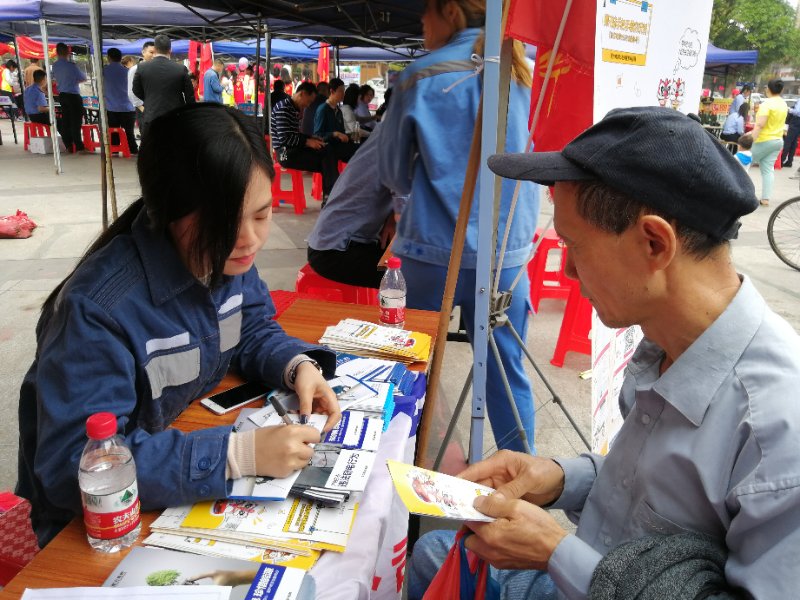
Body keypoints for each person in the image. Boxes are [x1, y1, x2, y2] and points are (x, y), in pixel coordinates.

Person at [408, 106, 800, 600]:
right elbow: (650, 492)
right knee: (434, 553)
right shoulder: (669, 341)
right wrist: (559, 478)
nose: (568, 270)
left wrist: (555, 552)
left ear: (654, 243)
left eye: (574, 245)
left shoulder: (777, 434)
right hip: (596, 572)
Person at [16, 103, 341, 549]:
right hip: (97, 528)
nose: (249, 239)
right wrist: (236, 454)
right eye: (224, 223)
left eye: (262, 215)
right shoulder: (96, 312)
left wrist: (296, 365)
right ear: (169, 211)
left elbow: (249, 327)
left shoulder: (225, 257)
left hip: (172, 458)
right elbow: (75, 465)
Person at [378, 0, 539, 453]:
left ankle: (392, 463)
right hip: (506, 256)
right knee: (507, 376)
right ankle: (522, 475)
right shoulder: (526, 73)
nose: (421, 24)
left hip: (431, 251)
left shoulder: (419, 75)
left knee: (406, 364)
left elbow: (392, 173)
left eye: (424, 14)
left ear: (449, 10)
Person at [307, 124, 402, 288]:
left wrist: (391, 220)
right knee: (420, 278)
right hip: (336, 250)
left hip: (345, 241)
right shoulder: (403, 135)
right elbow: (410, 214)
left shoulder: (395, 127)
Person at [271, 81, 343, 200]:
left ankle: (330, 197)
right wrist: (307, 142)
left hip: (293, 148)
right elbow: (285, 139)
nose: (308, 105)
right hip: (283, 154)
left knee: (327, 151)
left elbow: (294, 135)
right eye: (308, 101)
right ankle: (331, 197)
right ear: (302, 94)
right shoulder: (283, 108)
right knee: (327, 161)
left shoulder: (293, 108)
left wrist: (310, 138)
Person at [132, 35, 195, 133]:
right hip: (175, 117)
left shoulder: (142, 68)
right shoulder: (180, 69)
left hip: (152, 116)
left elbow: (136, 90)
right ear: (170, 50)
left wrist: (149, 98)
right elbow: (189, 95)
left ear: (155, 49)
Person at [748, 79, 787, 207]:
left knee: (742, 163)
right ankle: (765, 199)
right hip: (777, 141)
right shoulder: (783, 104)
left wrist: (750, 140)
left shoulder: (767, 104)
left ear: (768, 89)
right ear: (781, 90)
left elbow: (760, 124)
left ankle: (737, 194)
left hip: (763, 140)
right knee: (768, 170)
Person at [50, 44, 87, 153]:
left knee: (66, 120)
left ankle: (68, 144)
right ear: (67, 52)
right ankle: (79, 146)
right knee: (76, 121)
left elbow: (54, 79)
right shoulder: (71, 66)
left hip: (62, 95)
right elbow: (83, 78)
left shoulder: (55, 66)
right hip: (73, 95)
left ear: (57, 52)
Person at [314, 77, 358, 164]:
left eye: (344, 91)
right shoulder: (323, 109)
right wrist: (334, 134)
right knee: (356, 151)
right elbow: (317, 135)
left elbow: (342, 132)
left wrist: (348, 136)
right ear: (332, 91)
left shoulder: (338, 110)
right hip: (328, 147)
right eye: (341, 91)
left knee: (360, 146)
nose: (343, 94)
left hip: (338, 145)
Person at [103, 47, 138, 154]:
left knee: (114, 131)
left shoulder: (103, 71)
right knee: (129, 132)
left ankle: (115, 150)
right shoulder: (127, 71)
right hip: (127, 106)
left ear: (109, 58)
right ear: (120, 58)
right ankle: (132, 149)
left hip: (111, 107)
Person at [127, 41, 155, 138]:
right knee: (147, 137)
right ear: (143, 52)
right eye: (151, 52)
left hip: (156, 108)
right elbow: (131, 92)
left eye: (156, 53)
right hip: (144, 108)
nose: (154, 55)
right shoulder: (135, 69)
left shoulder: (156, 69)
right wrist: (142, 109)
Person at [781, 99, 800, 168]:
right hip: (797, 122)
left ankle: (781, 160)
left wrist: (789, 110)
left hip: (796, 120)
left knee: (788, 141)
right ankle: (789, 161)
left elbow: (797, 111)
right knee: (794, 142)